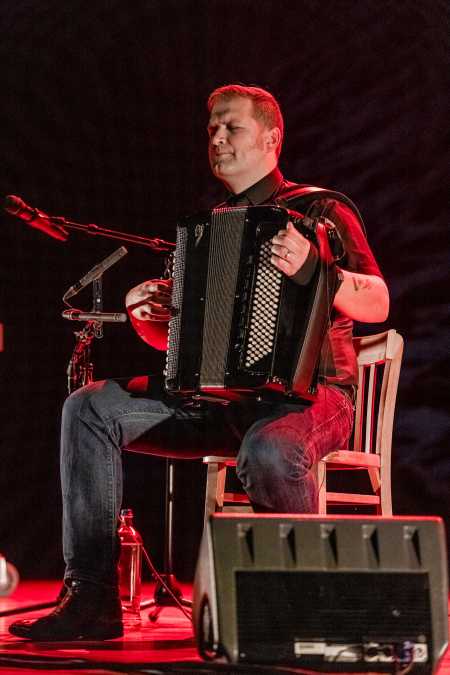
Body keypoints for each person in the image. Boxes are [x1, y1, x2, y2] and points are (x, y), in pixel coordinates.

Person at [9, 84, 389, 641]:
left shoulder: (319, 210)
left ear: (271, 138)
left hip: (314, 399)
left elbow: (378, 301)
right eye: (211, 128)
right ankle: (91, 598)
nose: (216, 137)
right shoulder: (211, 224)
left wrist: (317, 266)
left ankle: (307, 607)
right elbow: (194, 349)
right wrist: (153, 316)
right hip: (222, 402)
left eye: (231, 127)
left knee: (270, 448)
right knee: (89, 408)